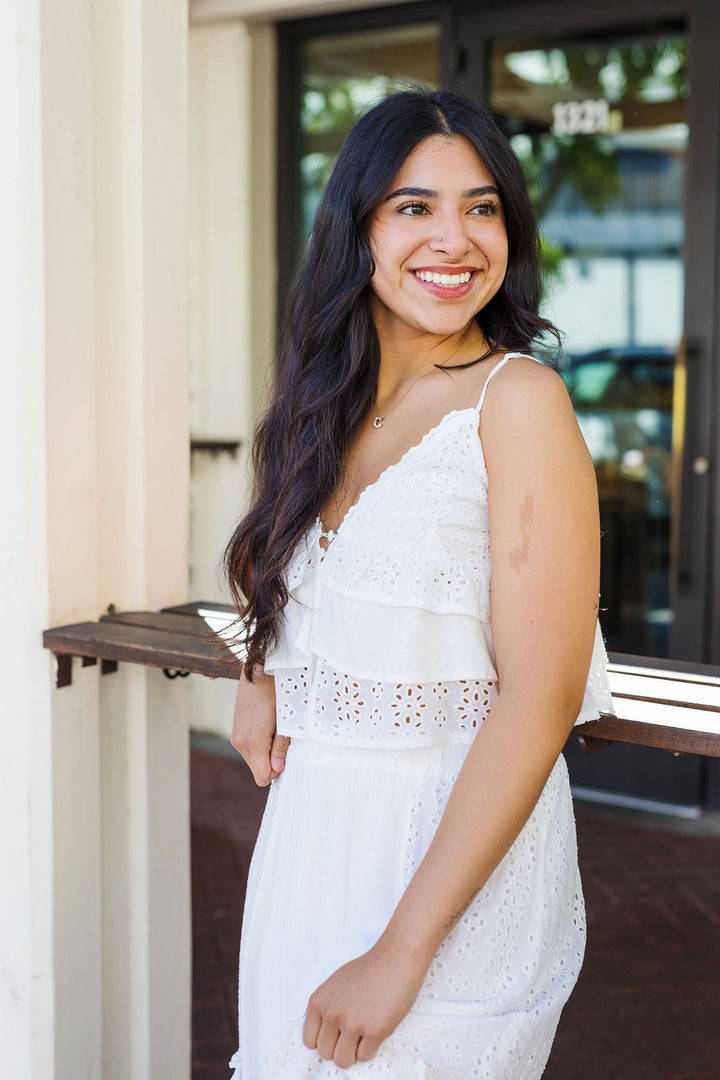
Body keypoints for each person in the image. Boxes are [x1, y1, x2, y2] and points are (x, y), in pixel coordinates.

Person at [224, 88, 613, 1079]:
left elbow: (541, 697)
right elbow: (297, 563)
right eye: (415, 206)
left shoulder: (516, 401)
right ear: (357, 226)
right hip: (312, 845)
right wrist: (263, 664)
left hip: (453, 873)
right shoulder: (327, 401)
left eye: (482, 207)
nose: (457, 237)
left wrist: (402, 952)